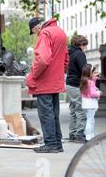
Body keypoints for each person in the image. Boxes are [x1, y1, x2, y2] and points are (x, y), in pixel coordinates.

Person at [26, 17, 68, 153]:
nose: (36, 34)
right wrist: (57, 71)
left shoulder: (45, 33)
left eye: (34, 32)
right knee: (54, 113)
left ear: (36, 28)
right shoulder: (60, 32)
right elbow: (66, 60)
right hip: (55, 81)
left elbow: (42, 59)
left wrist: (32, 76)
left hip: (44, 82)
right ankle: (57, 143)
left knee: (46, 114)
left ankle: (50, 144)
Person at [66, 35, 88, 143]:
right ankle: (80, 134)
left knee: (73, 110)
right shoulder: (79, 54)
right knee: (80, 110)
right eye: (85, 45)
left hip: (69, 84)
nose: (85, 47)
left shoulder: (70, 53)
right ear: (81, 44)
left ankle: (72, 133)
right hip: (76, 84)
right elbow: (84, 70)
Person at [80, 64, 102, 141]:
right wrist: (99, 93)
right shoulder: (91, 83)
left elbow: (88, 90)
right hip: (91, 103)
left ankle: (91, 136)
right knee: (90, 120)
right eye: (93, 72)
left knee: (90, 119)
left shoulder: (84, 81)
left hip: (85, 103)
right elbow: (93, 94)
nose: (95, 74)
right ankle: (89, 137)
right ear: (89, 73)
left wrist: (94, 79)